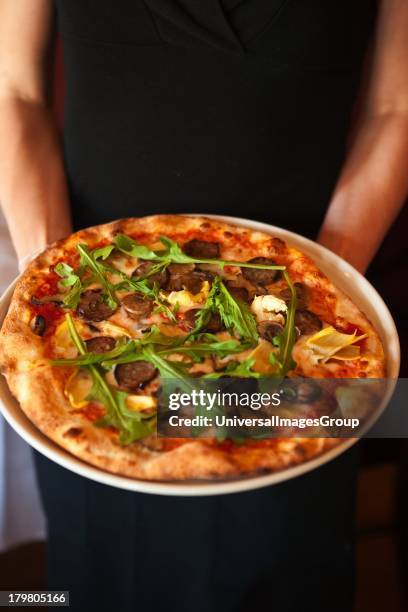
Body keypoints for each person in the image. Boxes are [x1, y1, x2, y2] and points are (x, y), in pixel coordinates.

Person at [0, 1, 407, 610]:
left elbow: (396, 109)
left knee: (280, 564)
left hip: (305, 327)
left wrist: (315, 286)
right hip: (87, 332)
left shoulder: (319, 312)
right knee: (105, 573)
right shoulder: (55, 342)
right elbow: (15, 92)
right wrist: (60, 283)